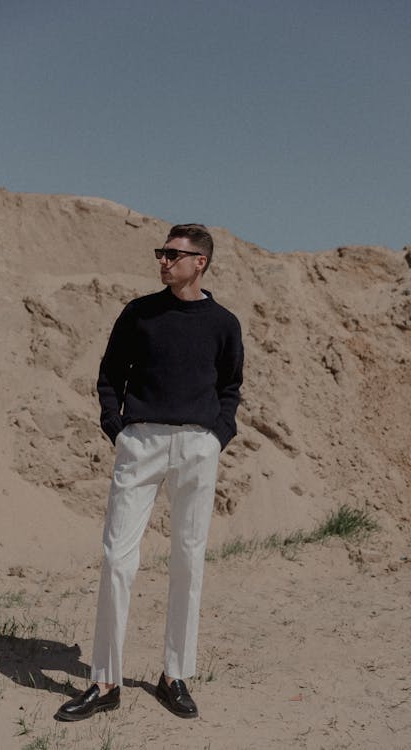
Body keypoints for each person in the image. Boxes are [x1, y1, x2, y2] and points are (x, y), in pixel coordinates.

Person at [56, 223, 243, 721]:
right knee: (118, 558)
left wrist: (217, 436)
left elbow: (231, 386)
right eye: (161, 252)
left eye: (173, 254)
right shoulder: (138, 313)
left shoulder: (223, 323)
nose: (162, 261)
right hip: (140, 443)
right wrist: (118, 429)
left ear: (199, 261)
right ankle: (105, 680)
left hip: (197, 447)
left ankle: (174, 674)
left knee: (188, 560)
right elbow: (108, 374)